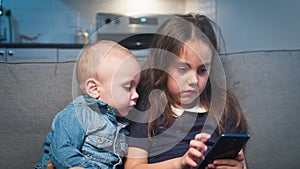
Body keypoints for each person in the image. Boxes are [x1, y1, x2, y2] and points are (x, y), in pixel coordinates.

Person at [124, 14, 248, 169]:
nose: (194, 81)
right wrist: (179, 164)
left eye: (202, 70)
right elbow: (133, 166)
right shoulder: (148, 105)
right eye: (182, 69)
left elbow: (241, 161)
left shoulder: (222, 106)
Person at [35, 40, 141, 169]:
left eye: (137, 87)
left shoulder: (124, 124)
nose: (136, 95)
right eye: (128, 87)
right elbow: (61, 152)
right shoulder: (79, 113)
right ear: (94, 89)